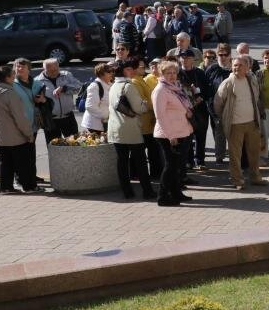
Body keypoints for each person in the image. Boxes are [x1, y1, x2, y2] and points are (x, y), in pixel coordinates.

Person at [0, 64, 38, 194]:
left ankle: (5, 187)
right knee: (23, 161)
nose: (15, 77)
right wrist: (28, 133)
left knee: (5, 160)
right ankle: (29, 186)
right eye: (13, 75)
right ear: (7, 78)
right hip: (15, 135)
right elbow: (19, 117)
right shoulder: (10, 93)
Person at [213, 56, 267, 190]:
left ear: (248, 67)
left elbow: (256, 97)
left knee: (254, 153)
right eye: (235, 65)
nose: (237, 68)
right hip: (235, 124)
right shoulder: (228, 83)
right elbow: (217, 103)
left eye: (240, 65)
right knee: (235, 155)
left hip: (252, 122)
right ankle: (237, 180)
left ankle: (255, 177)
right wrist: (225, 117)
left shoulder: (252, 79)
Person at [108, 58, 155, 200]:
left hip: (115, 129)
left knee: (122, 161)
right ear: (123, 71)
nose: (133, 71)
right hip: (130, 128)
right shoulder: (128, 86)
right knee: (140, 161)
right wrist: (145, 104)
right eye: (129, 69)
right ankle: (147, 191)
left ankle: (127, 191)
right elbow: (139, 108)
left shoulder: (114, 85)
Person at [151, 60, 194, 207]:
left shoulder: (175, 87)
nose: (172, 75)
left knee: (178, 166)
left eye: (174, 72)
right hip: (168, 135)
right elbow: (160, 116)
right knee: (170, 166)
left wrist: (187, 110)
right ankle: (162, 196)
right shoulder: (160, 90)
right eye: (168, 73)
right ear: (162, 74)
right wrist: (171, 137)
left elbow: (180, 105)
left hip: (181, 130)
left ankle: (176, 193)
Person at [178, 49, 213, 170]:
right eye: (182, 57)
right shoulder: (177, 74)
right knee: (186, 136)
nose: (185, 60)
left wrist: (201, 97)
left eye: (188, 57)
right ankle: (188, 161)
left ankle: (200, 160)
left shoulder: (200, 73)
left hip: (200, 109)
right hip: (184, 111)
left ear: (193, 59)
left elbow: (209, 91)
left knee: (201, 136)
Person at [35, 58, 83, 142]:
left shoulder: (66, 75)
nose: (54, 72)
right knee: (54, 148)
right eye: (50, 70)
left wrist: (64, 88)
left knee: (75, 146)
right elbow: (34, 101)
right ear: (44, 69)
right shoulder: (37, 81)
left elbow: (80, 87)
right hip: (50, 119)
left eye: (56, 70)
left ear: (58, 67)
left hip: (68, 117)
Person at [205, 44, 233, 163]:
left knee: (233, 134)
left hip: (233, 107)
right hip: (216, 107)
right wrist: (211, 108)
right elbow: (206, 89)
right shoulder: (212, 69)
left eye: (225, 55)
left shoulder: (235, 68)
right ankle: (219, 157)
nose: (222, 57)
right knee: (218, 133)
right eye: (220, 55)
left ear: (230, 55)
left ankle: (234, 156)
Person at [81, 62, 114, 135]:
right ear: (101, 74)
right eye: (109, 72)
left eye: (112, 71)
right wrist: (106, 116)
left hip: (105, 123)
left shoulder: (110, 85)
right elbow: (90, 107)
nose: (111, 73)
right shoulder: (94, 86)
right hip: (94, 126)